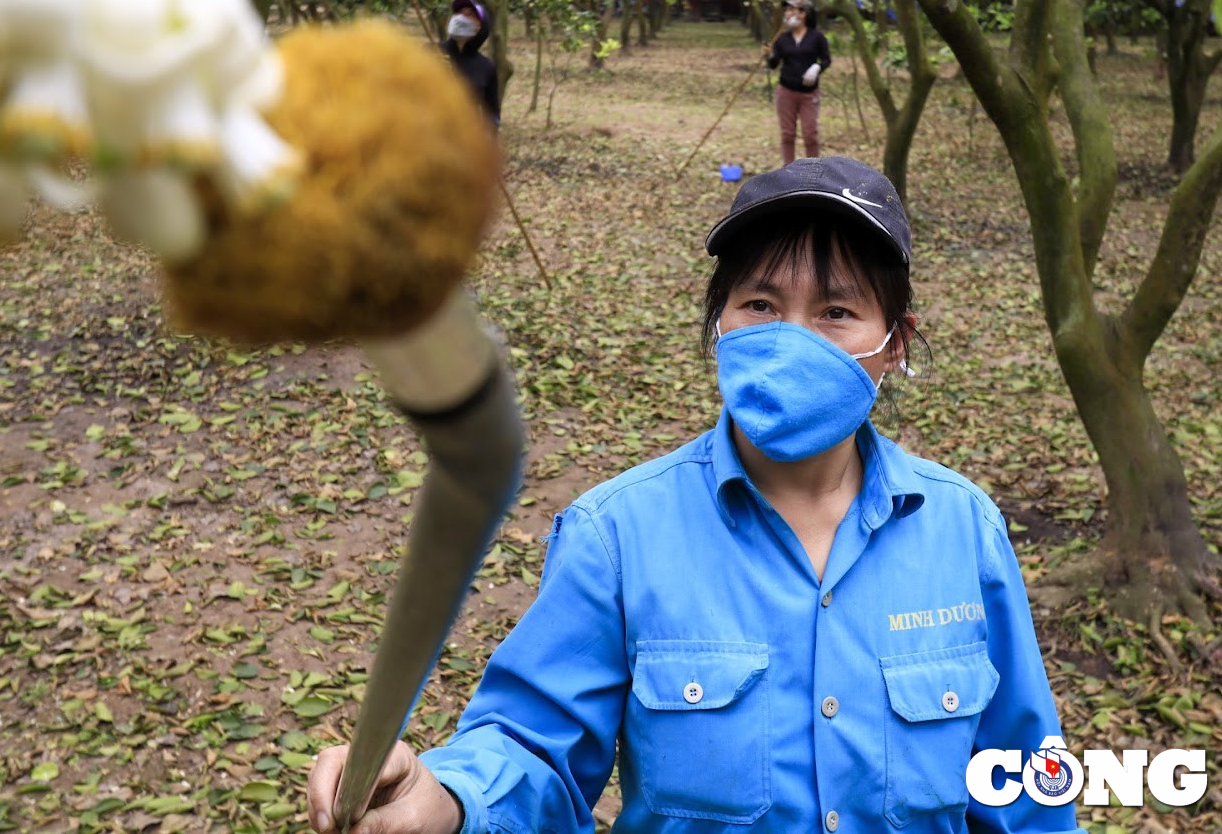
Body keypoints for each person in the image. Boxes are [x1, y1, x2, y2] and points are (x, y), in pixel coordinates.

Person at [307, 157, 1081, 834]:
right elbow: (533, 745)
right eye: (761, 305)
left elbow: (1025, 784)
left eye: (837, 311)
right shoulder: (618, 534)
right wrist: (446, 794)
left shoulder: (962, 528)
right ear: (720, 323)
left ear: (895, 342)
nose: (792, 337)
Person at [767, 0, 830, 164]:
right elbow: (773, 64)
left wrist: (817, 68)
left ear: (803, 14)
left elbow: (826, 60)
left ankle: (813, 171)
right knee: (787, 134)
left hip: (809, 94)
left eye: (790, 10)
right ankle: (789, 170)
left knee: (810, 134)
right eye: (786, 10)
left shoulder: (817, 37)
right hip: (786, 92)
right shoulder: (782, 38)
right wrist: (769, 55)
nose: (787, 14)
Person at [442, 0, 500, 129]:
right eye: (458, 13)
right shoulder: (432, 52)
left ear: (479, 26)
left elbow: (492, 114)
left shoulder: (485, 67)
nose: (460, 18)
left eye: (469, 15)